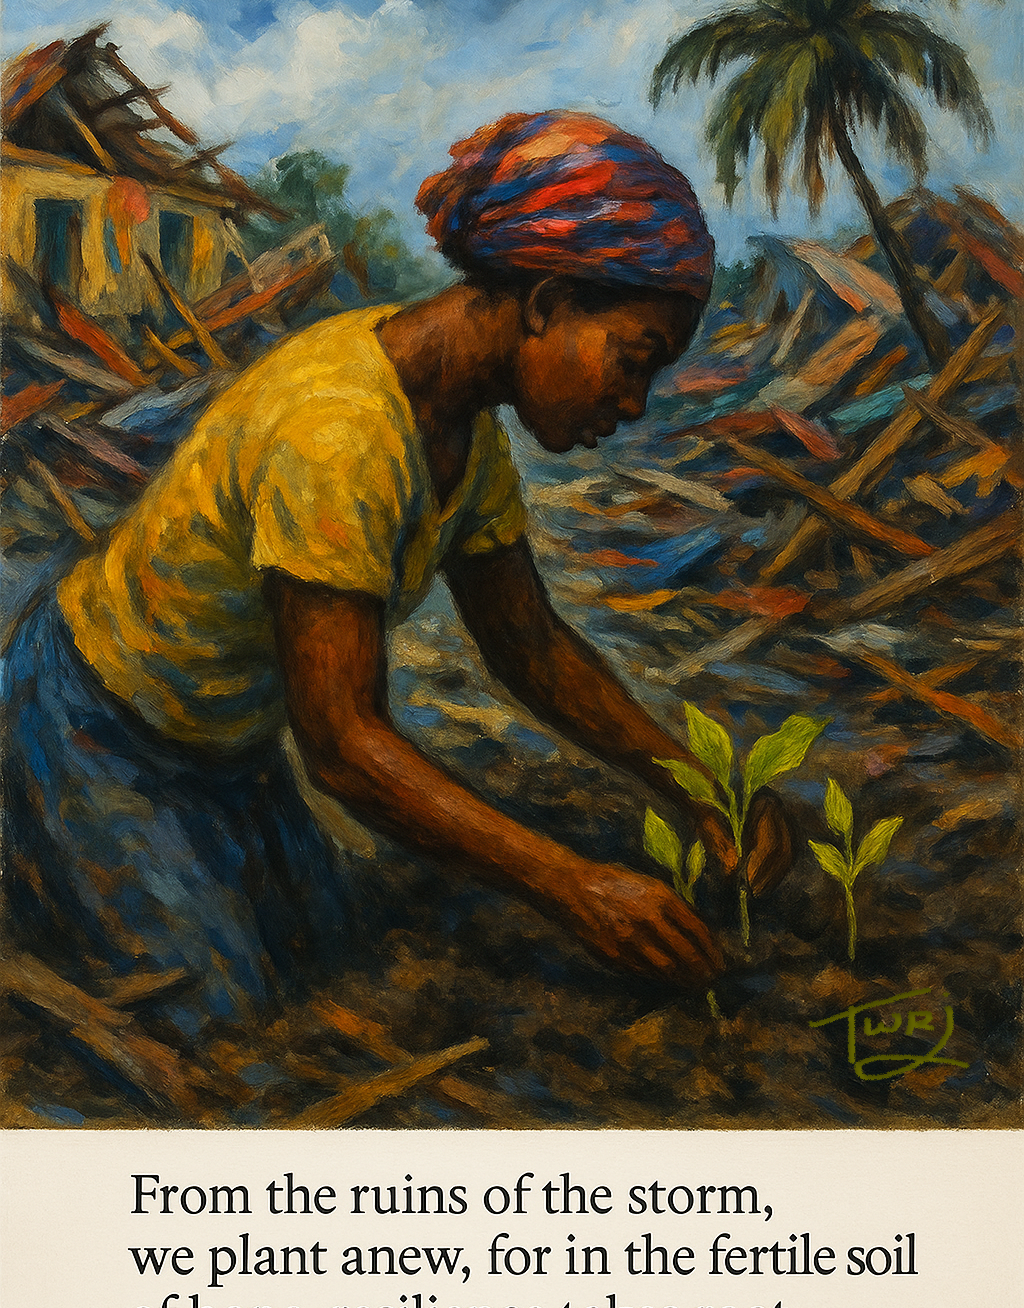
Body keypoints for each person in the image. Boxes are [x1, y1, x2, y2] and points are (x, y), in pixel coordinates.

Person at [3, 110, 788, 1043]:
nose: (632, 402)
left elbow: (529, 646)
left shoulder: (465, 431)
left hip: (225, 747)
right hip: (94, 726)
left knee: (331, 963)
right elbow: (340, 743)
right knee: (220, 1029)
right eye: (635, 358)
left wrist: (700, 783)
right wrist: (570, 884)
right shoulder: (338, 432)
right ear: (544, 304)